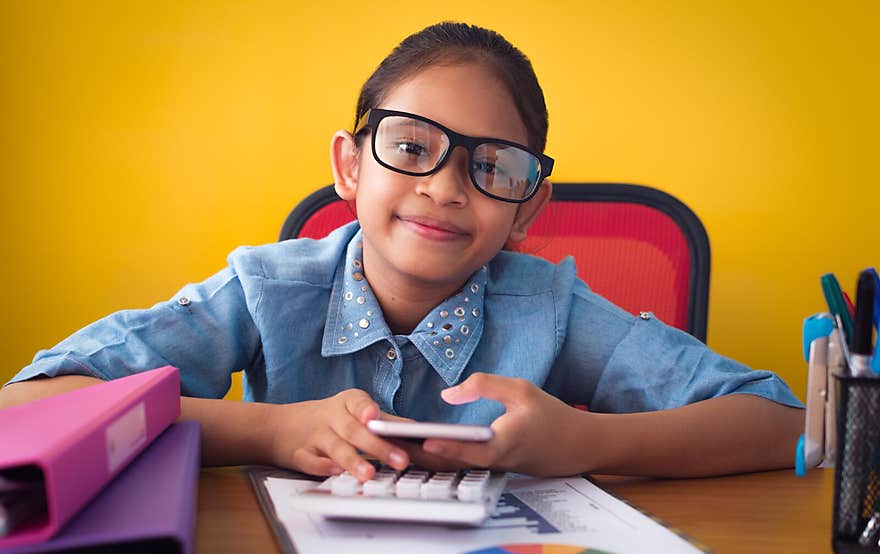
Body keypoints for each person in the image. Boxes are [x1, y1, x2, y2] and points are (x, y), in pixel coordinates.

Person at [0, 21, 804, 481]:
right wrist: (268, 430)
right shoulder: (265, 290)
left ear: (528, 208)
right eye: (412, 147)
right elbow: (29, 405)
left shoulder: (548, 306)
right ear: (350, 166)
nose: (447, 187)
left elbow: (778, 422)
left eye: (491, 166)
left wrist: (586, 442)